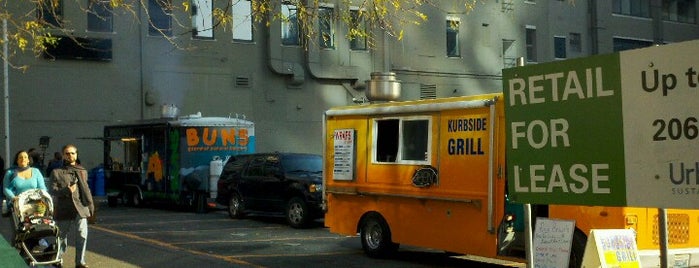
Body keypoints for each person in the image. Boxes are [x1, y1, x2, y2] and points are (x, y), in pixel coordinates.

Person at [49, 144, 93, 268]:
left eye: (73, 153)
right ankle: (58, 260)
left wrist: (90, 206)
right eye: (67, 153)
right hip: (64, 208)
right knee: (61, 236)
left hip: (81, 207)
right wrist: (66, 191)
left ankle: (80, 262)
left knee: (82, 235)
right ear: (63, 155)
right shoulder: (56, 172)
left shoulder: (82, 170)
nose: (70, 156)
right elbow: (52, 191)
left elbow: (86, 189)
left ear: (76, 155)